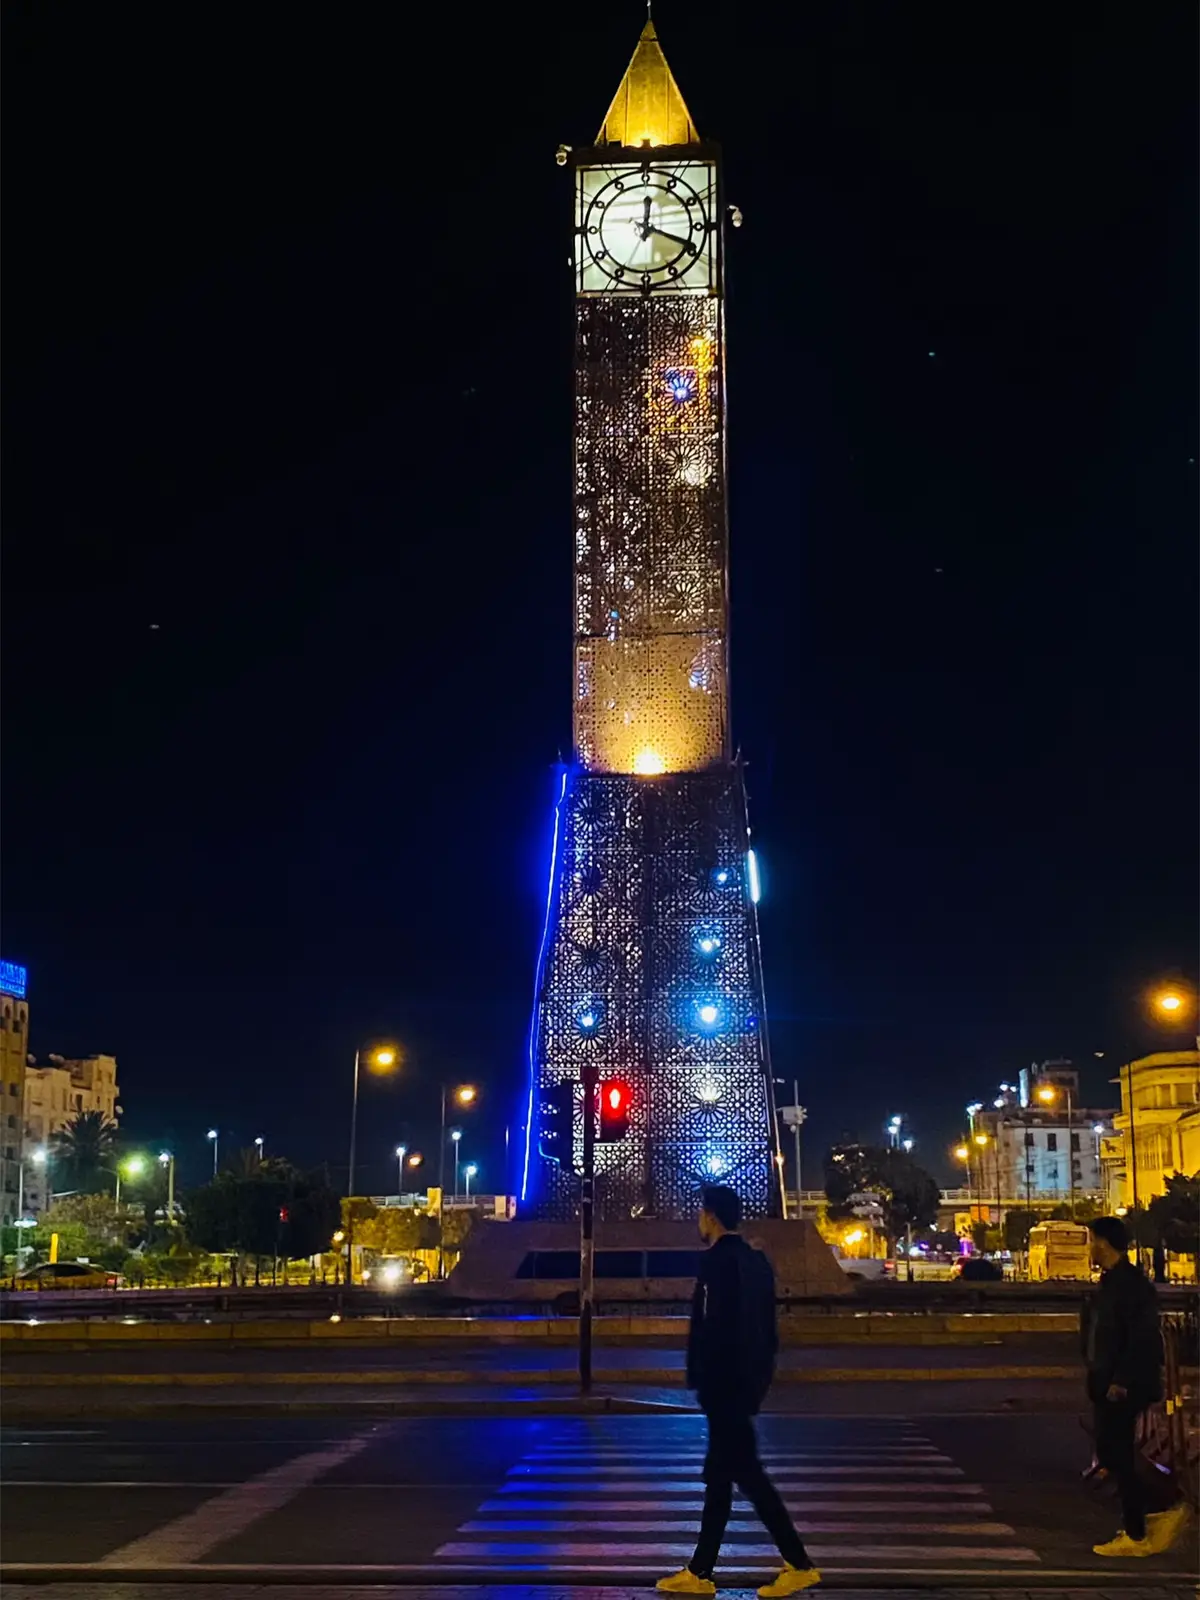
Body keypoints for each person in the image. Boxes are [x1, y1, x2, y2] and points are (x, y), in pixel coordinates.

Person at [657, 1185, 821, 1598]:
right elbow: (768, 1328)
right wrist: (758, 1381)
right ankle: (700, 1571)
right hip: (746, 1383)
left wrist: (703, 1378)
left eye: (701, 1213)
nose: (698, 1220)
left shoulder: (716, 1263)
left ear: (711, 1217)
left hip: (723, 1386)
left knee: (745, 1475)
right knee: (722, 1478)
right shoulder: (756, 1262)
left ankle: (799, 1564)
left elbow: (712, 1328)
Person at [1082, 1215, 1190, 1557]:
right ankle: (1153, 1514)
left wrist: (1121, 1380)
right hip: (1107, 1381)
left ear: (1104, 1243)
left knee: (1118, 1455)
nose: (1089, 1248)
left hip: (1124, 1385)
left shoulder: (1131, 1285)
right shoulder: (1111, 1282)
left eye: (1092, 1240)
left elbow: (1142, 1338)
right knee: (1112, 1454)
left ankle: (1140, 1530)